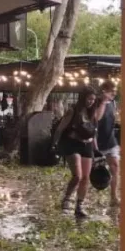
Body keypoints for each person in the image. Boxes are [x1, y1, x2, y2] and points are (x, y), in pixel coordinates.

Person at [52, 87, 103, 218]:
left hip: (87, 145)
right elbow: (60, 129)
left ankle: (79, 205)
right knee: (78, 176)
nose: (91, 101)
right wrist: (54, 145)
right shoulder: (72, 110)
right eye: (89, 98)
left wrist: (96, 149)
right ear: (83, 98)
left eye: (93, 99)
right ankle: (67, 198)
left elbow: (94, 132)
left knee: (86, 177)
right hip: (72, 144)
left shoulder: (93, 113)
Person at [96, 81, 120, 205]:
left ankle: (113, 196)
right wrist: (103, 102)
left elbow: (114, 119)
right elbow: (97, 118)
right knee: (93, 172)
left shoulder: (113, 103)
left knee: (115, 167)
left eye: (115, 92)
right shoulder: (96, 102)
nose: (114, 94)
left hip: (110, 140)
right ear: (104, 91)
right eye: (112, 92)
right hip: (96, 141)